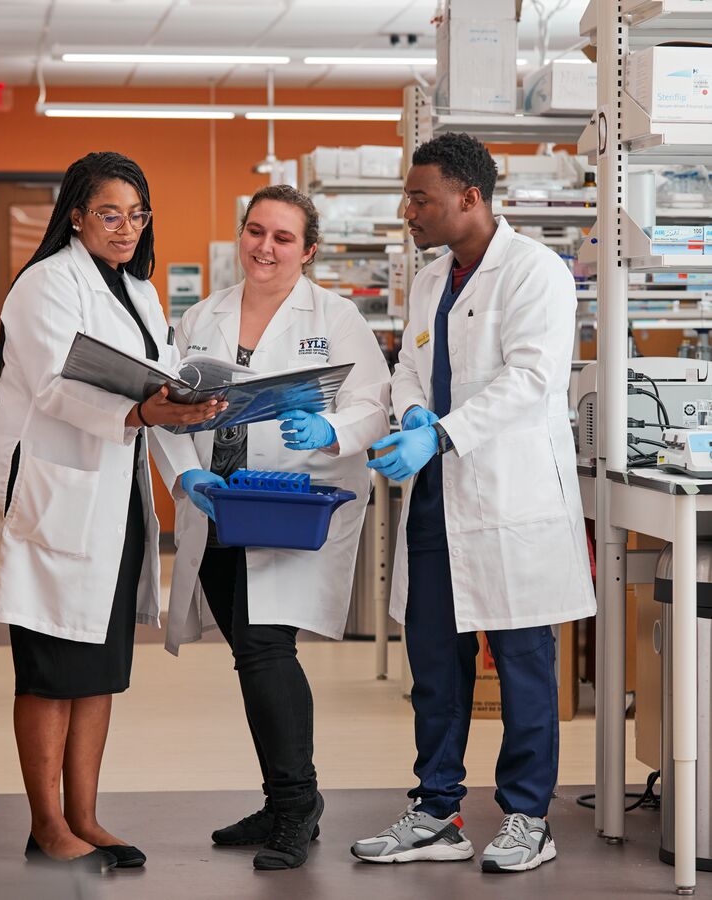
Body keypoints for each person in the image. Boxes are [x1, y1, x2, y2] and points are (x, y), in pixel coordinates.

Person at [352, 133, 595, 873]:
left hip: (510, 497)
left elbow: (532, 382)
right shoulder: (430, 280)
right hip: (439, 498)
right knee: (435, 661)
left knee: (522, 660)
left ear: (471, 198)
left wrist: (444, 434)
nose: (409, 210)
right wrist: (417, 413)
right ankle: (437, 812)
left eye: (420, 197)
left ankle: (528, 817)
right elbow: (409, 367)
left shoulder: (535, 274)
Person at [0, 152, 221, 873]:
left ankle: (84, 814)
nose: (126, 227)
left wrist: (186, 411)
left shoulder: (139, 291)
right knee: (52, 664)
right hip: (50, 495)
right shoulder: (44, 284)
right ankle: (48, 823)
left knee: (101, 665)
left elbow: (157, 380)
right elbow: (56, 386)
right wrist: (141, 407)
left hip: (114, 499)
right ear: (76, 215)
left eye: (137, 212)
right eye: (110, 213)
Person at [155, 185, 390, 871]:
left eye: (283, 237)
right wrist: (183, 475)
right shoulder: (202, 316)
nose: (265, 247)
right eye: (255, 231)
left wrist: (332, 428)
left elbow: (373, 406)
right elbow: (166, 409)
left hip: (291, 501)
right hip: (223, 504)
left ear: (308, 249)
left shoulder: (337, 317)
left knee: (264, 647)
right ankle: (283, 797)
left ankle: (295, 807)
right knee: (251, 652)